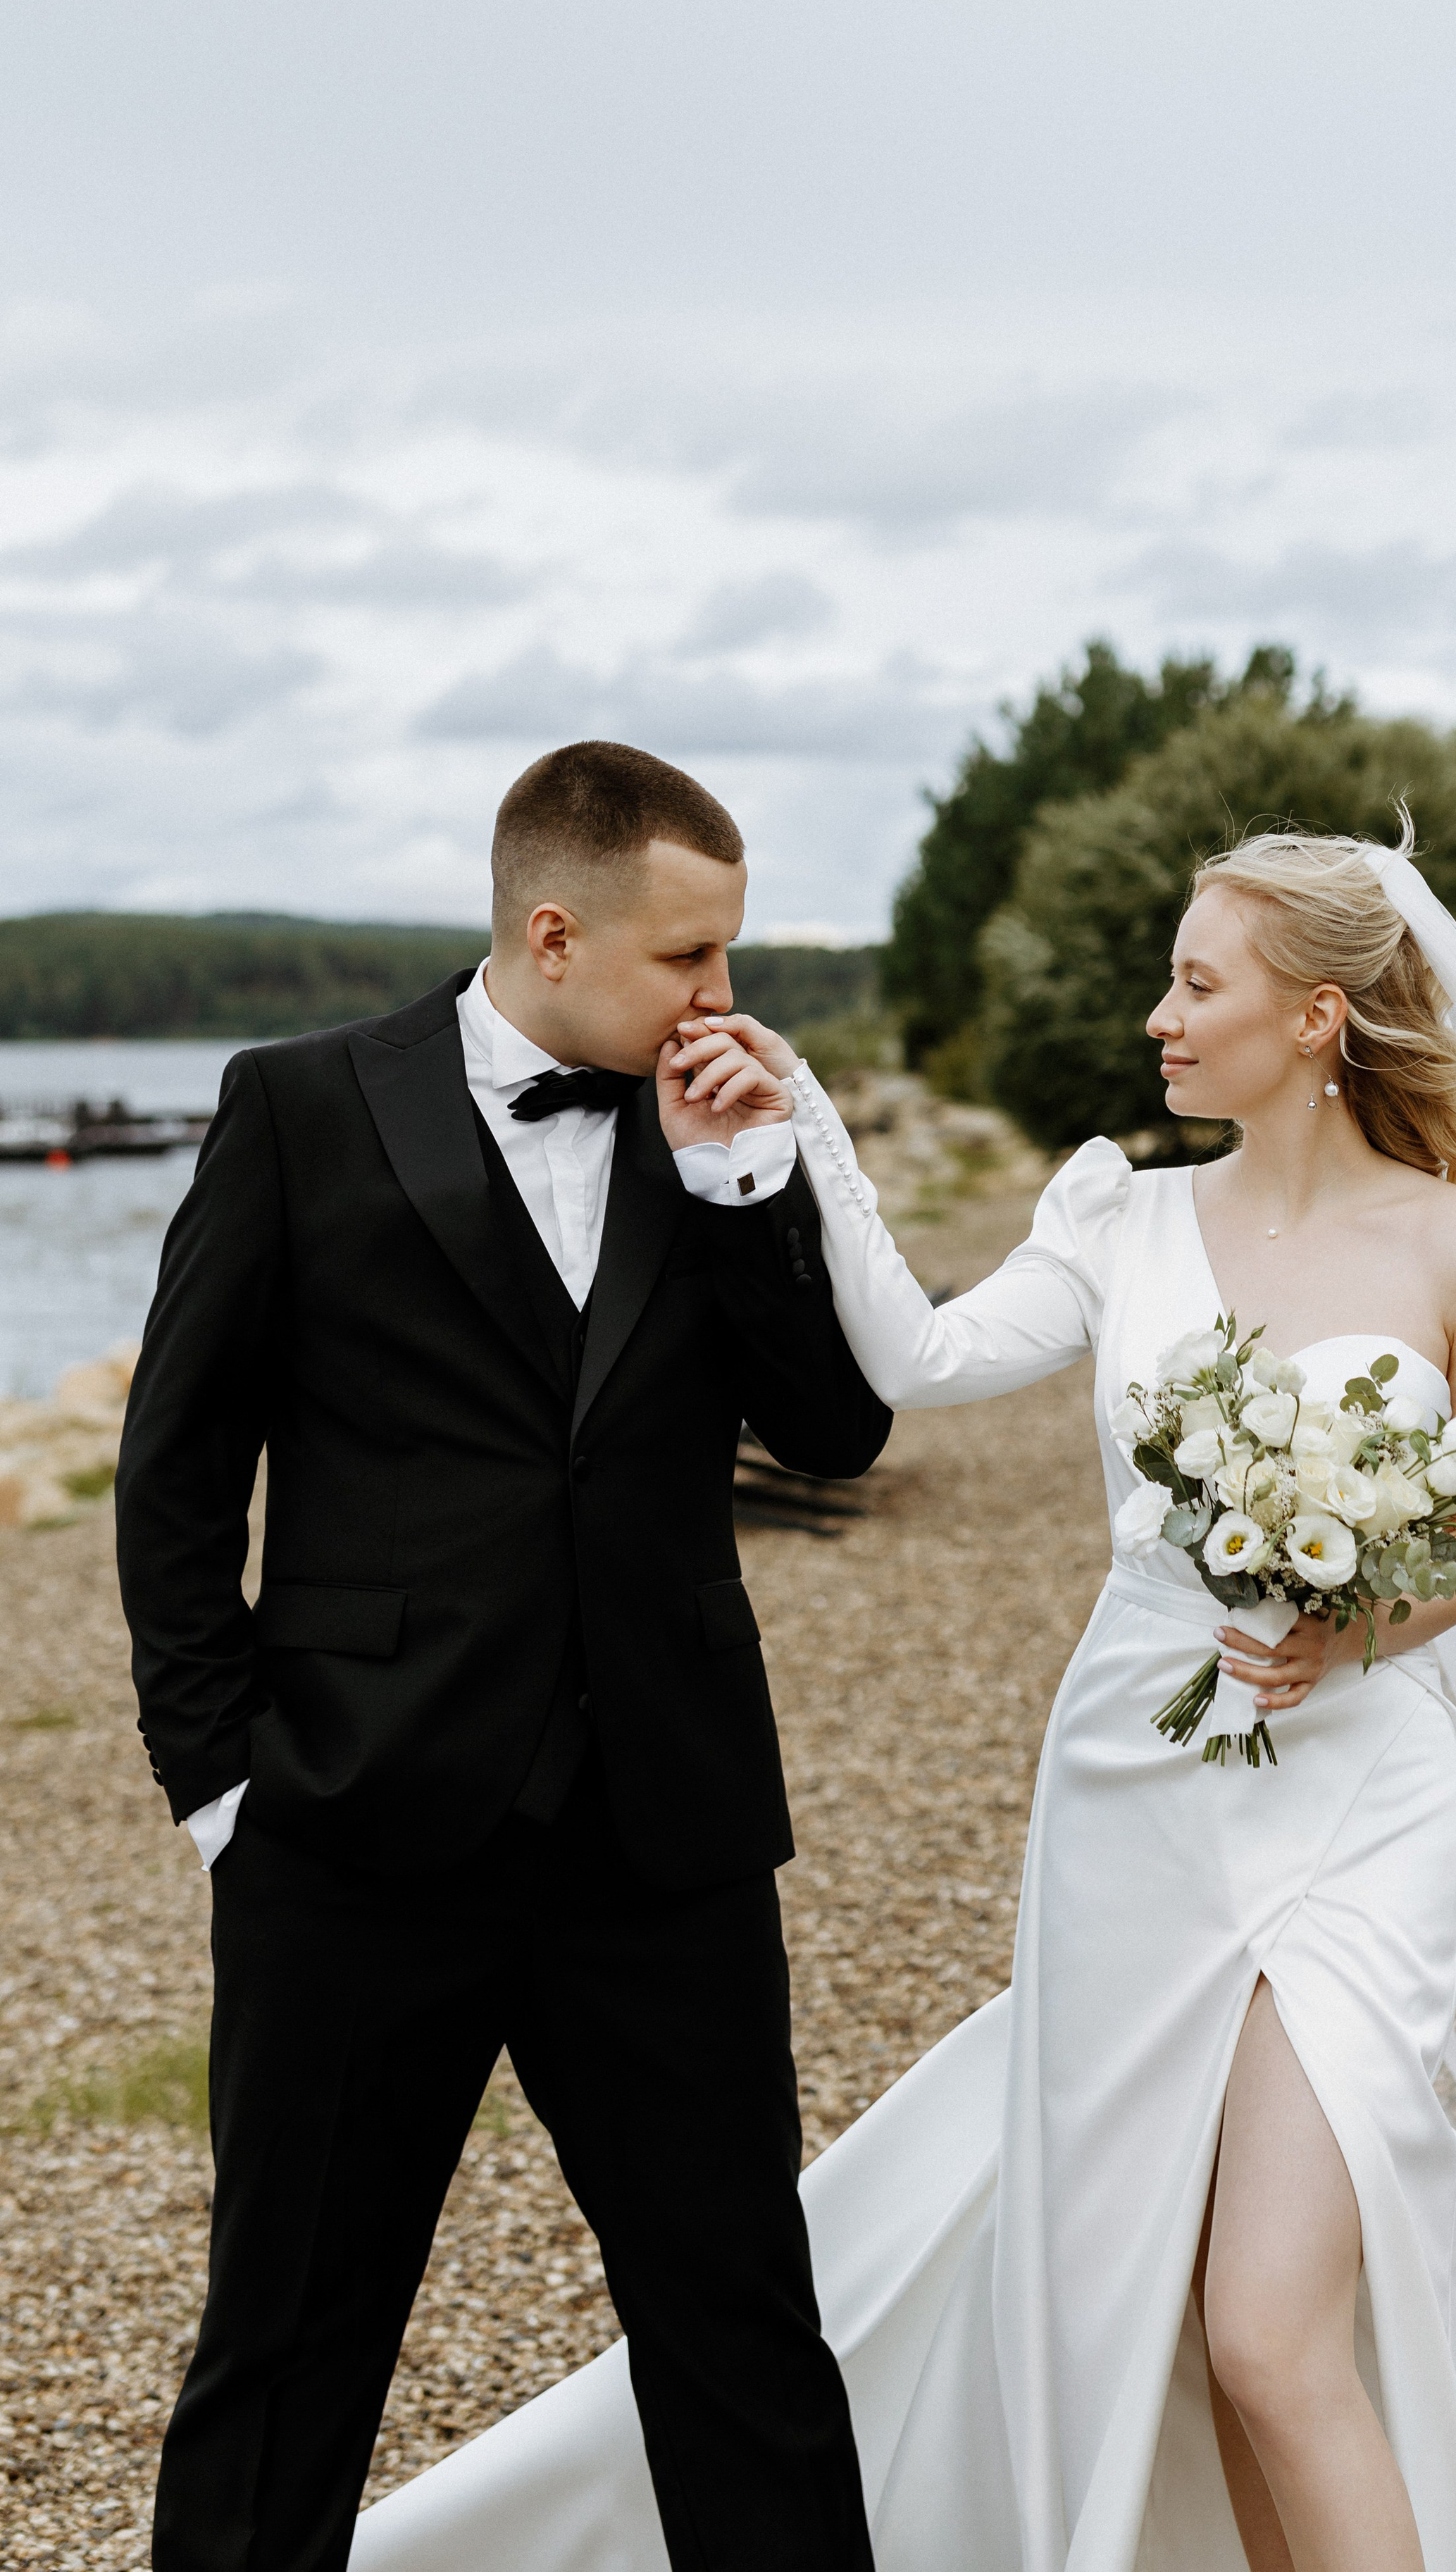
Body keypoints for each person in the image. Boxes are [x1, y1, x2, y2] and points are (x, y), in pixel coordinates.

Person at [352, 830, 1456, 2570]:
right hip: (1131, 1787)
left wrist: (1355, 1634)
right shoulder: (1123, 1214)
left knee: (1270, 2321)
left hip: (1351, 1798)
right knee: (1159, 2309)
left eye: (1197, 983)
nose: (1157, 1017)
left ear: (1318, 1016)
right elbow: (920, 1362)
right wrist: (796, 1126)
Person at [115, 740, 892, 2572]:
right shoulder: (301, 1105)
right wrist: (224, 1791)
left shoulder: (724, 1122)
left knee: (744, 2341)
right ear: (554, 931)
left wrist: (742, 1191)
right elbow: (174, 1469)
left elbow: (839, 1435)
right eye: (688, 961)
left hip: (665, 1840)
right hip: (350, 1834)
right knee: (289, 2352)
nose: (725, 1000)